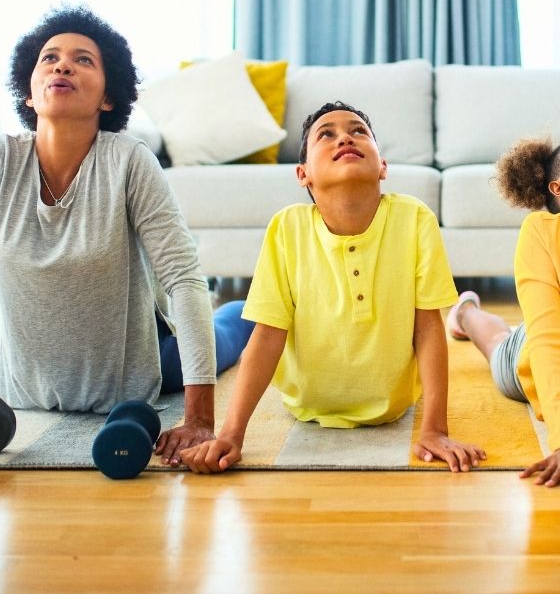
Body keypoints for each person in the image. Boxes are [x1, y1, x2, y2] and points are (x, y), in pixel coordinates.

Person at [0, 6, 253, 466]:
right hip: (29, 391)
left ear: (108, 99)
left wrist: (199, 417)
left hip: (144, 369)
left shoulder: (129, 161)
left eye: (83, 60)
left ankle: (245, 312)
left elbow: (183, 278)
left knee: (231, 330)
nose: (62, 65)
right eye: (50, 57)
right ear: (29, 92)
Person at [181, 101, 486, 473]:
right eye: (326, 134)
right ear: (303, 173)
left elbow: (427, 327)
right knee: (249, 321)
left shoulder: (416, 218)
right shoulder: (286, 227)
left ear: (383, 167)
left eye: (359, 131)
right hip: (304, 402)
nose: (345, 136)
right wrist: (231, 434)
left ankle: (467, 314)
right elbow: (268, 335)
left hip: (391, 406)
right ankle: (233, 313)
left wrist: (435, 429)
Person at [446, 137, 560, 487]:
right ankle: (465, 312)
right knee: (499, 340)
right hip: (534, 354)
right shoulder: (540, 233)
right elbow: (546, 341)